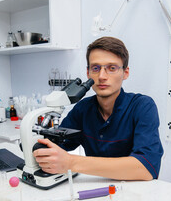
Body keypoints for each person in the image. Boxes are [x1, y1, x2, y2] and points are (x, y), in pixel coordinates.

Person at [33, 37, 163, 180]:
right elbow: (58, 146)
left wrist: (71, 162)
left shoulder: (142, 107)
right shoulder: (82, 109)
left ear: (125, 73)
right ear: (88, 73)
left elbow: (145, 169)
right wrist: (40, 147)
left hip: (135, 193)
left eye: (112, 68)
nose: (102, 76)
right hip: (94, 190)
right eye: (96, 68)